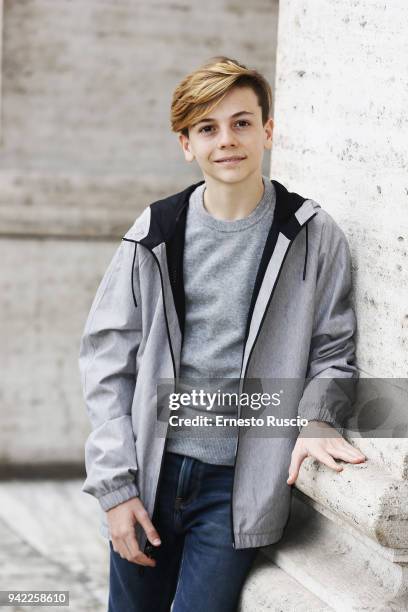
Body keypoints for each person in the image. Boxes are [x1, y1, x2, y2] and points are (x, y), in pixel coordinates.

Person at [78, 56, 366, 612]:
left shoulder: (312, 234)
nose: (227, 140)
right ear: (187, 144)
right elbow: (107, 362)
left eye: (241, 122)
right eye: (207, 128)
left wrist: (318, 417)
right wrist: (116, 490)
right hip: (151, 474)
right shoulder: (154, 234)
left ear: (268, 131)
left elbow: (334, 350)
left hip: (236, 485)